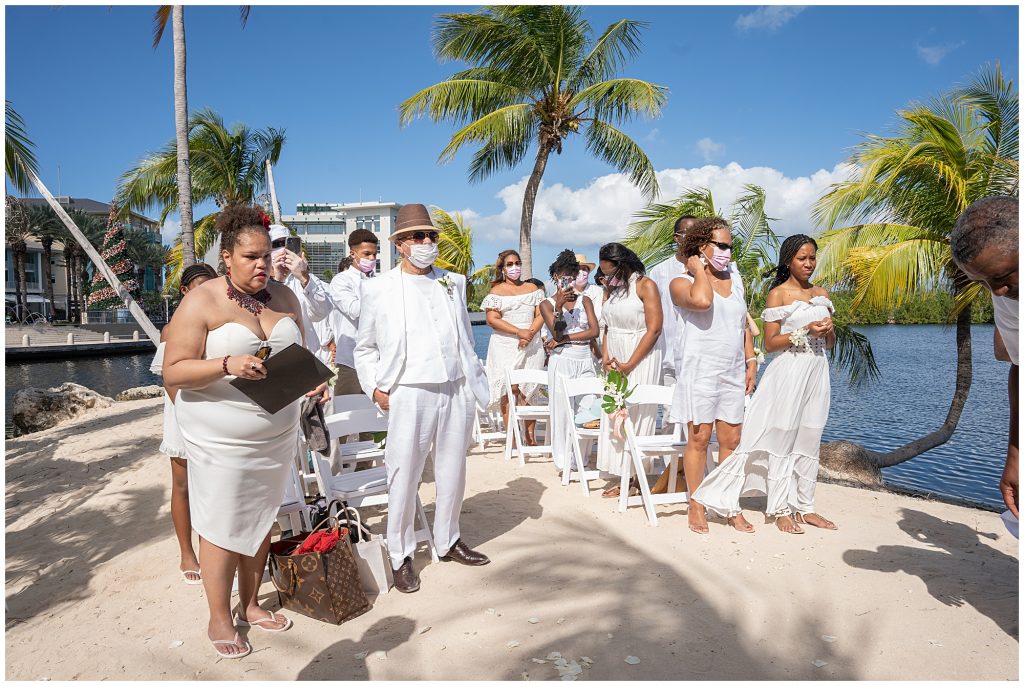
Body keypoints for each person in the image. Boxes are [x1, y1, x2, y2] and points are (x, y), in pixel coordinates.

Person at [164, 205, 327, 658]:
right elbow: (173, 372)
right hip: (219, 436)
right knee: (220, 523)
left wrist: (314, 381)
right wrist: (226, 364)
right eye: (252, 256)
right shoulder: (202, 301)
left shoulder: (285, 297)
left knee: (260, 517)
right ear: (227, 259)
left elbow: (303, 353)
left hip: (276, 432)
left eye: (267, 254)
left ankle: (250, 603)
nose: (263, 264)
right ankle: (219, 616)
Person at [354, 203, 492, 593]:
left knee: (453, 470)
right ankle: (400, 554)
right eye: (418, 236)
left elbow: (465, 336)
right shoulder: (378, 287)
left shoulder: (454, 282)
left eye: (431, 236)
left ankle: (448, 540)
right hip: (409, 390)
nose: (427, 242)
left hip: (455, 387)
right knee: (404, 474)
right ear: (400, 244)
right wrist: (375, 387)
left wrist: (474, 380)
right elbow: (364, 348)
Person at [693, 234, 837, 534]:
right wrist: (804, 330)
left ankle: (806, 507)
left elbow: (831, 344)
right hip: (789, 372)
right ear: (788, 261)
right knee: (781, 438)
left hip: (817, 370)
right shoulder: (779, 294)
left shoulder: (822, 294)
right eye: (802, 258)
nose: (809, 264)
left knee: (810, 437)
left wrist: (827, 331)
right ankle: (780, 509)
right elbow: (770, 344)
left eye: (812, 258)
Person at [668, 217, 757, 534]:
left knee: (732, 440)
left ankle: (730, 504)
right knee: (700, 439)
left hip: (732, 369)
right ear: (700, 247)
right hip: (699, 371)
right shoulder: (680, 283)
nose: (727, 253)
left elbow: (742, 325)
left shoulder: (737, 279)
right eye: (720, 245)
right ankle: (696, 503)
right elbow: (703, 301)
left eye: (730, 246)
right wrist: (697, 269)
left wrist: (751, 360)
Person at [950, 196, 1018, 522]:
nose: (998, 291)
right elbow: (1019, 366)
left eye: (1003, 276)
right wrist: (1016, 455)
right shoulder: (1006, 293)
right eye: (985, 282)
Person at [151, 262, 217, 585]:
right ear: (184, 291)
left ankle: (210, 545)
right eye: (198, 288)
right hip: (183, 410)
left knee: (211, 486)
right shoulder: (172, 328)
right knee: (182, 484)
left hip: (212, 409)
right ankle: (186, 552)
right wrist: (190, 416)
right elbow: (170, 379)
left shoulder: (217, 320)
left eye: (210, 287)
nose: (204, 294)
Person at [594, 242, 664, 498]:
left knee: (637, 414)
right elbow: (606, 326)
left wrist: (631, 362)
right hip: (614, 356)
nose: (607, 278)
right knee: (615, 415)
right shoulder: (613, 290)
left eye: (610, 272)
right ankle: (622, 473)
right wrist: (605, 356)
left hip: (640, 354)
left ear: (622, 265)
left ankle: (637, 478)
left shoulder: (645, 285)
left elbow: (654, 328)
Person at [539, 250, 600, 473]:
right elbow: (555, 334)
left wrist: (565, 339)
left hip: (585, 357)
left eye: (572, 276)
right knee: (562, 412)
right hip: (562, 360)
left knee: (588, 409)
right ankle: (563, 462)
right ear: (555, 276)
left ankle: (581, 459)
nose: (568, 280)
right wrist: (558, 308)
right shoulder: (546, 304)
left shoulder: (586, 301)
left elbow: (593, 331)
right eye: (564, 276)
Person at [481, 250, 546, 444]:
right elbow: (492, 319)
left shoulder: (533, 288)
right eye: (509, 264)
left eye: (517, 263)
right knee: (509, 391)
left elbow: (541, 313)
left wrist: (529, 334)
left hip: (531, 344)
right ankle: (513, 439)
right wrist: (519, 332)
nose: (514, 267)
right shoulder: (496, 292)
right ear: (502, 268)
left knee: (529, 391)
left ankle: (530, 437)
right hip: (504, 344)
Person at [268, 224, 333, 378]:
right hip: (275, 365)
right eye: (277, 244)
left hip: (309, 364)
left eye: (287, 243)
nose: (283, 249)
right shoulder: (259, 282)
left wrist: (303, 277)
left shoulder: (306, 280)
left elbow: (321, 312)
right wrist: (278, 280)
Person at [647, 215, 699, 386]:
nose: (693, 237)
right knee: (671, 411)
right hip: (669, 356)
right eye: (687, 233)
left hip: (701, 357)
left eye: (697, 233)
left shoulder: (710, 269)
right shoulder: (659, 272)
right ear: (676, 238)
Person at [329, 228, 380, 398]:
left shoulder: (379, 280)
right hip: (350, 362)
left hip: (377, 362)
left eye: (374, 254)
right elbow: (355, 310)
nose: (372, 258)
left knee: (376, 418)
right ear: (353, 253)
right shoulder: (341, 280)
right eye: (367, 254)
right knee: (347, 414)